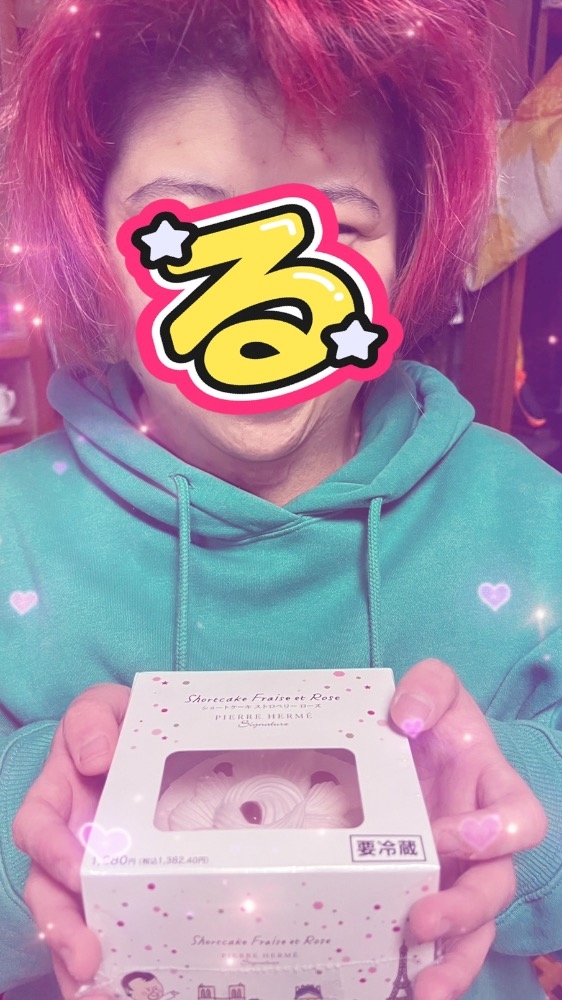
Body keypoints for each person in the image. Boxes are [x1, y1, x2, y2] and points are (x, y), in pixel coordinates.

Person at [0, 1, 560, 999]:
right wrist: (38, 831)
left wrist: (498, 822)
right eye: (186, 232)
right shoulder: (14, 534)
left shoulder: (528, 513)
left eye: (335, 230)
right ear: (92, 242)